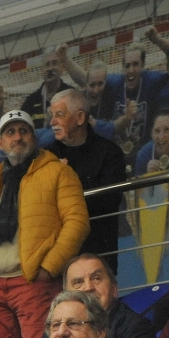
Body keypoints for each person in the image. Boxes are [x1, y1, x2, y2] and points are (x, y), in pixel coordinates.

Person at [0, 110, 90, 338]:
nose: (17, 137)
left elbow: (77, 222)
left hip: (33, 283)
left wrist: (48, 269)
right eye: (10, 132)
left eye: (24, 131)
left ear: (34, 138)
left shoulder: (59, 172)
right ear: (0, 142)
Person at [44, 89, 127, 265]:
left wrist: (66, 180)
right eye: (52, 115)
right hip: (56, 257)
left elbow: (108, 202)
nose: (52, 122)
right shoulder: (46, 157)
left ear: (80, 117)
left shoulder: (110, 153)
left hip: (98, 253)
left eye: (59, 114)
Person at [37, 253, 157, 338]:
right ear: (66, 296)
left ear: (114, 289)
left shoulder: (136, 328)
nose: (88, 287)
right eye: (78, 282)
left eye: (96, 278)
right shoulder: (57, 331)